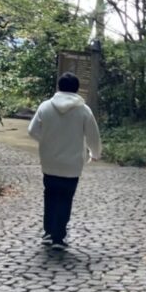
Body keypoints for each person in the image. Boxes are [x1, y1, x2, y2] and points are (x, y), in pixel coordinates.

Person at [27, 72, 102, 249]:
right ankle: (59, 237)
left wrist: (46, 141)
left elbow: (32, 130)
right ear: (77, 89)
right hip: (73, 163)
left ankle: (48, 232)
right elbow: (93, 136)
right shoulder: (84, 110)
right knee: (65, 198)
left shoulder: (45, 107)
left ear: (59, 87)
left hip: (49, 161)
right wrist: (95, 153)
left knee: (50, 195)